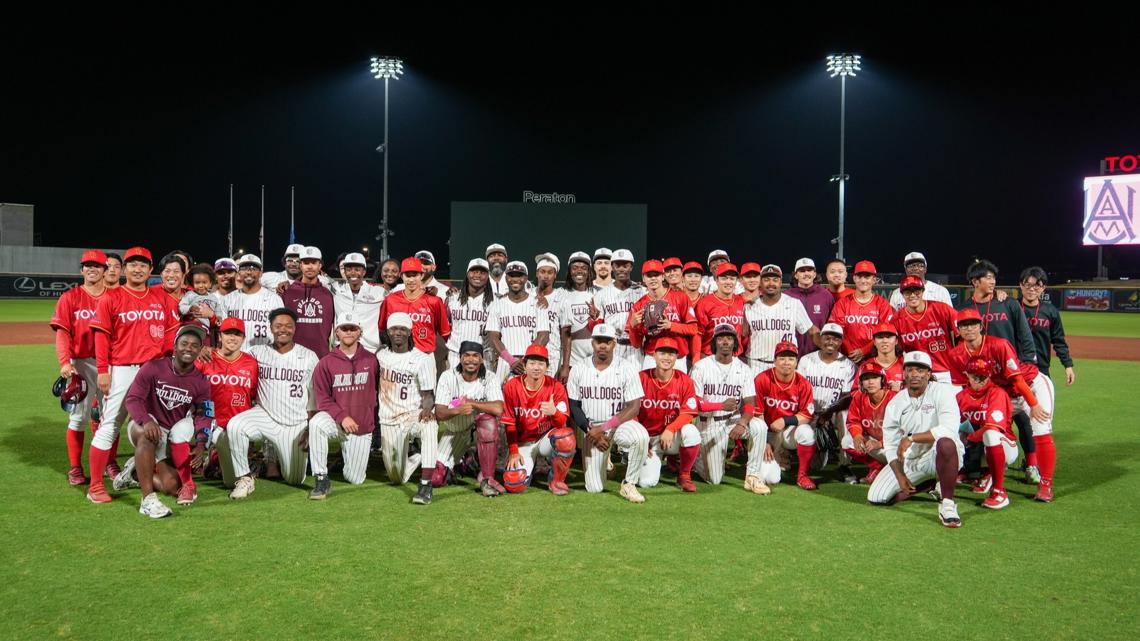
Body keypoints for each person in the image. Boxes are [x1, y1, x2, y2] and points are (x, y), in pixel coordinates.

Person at [86, 247, 180, 504]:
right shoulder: (111, 297)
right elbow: (101, 337)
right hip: (122, 369)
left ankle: (142, 471)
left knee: (158, 426)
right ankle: (95, 486)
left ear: (151, 270)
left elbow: (172, 334)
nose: (137, 269)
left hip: (154, 370)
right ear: (124, 269)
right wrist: (103, 371)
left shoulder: (162, 298)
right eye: (132, 264)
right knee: (110, 426)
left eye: (143, 265)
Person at [946, 309, 1056, 502]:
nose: (969, 328)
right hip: (1001, 393)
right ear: (958, 330)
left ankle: (1045, 484)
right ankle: (992, 473)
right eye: (964, 325)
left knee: (1040, 428)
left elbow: (1019, 380)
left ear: (981, 326)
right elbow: (963, 387)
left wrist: (1034, 404)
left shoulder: (999, 345)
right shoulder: (956, 355)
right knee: (993, 431)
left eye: (973, 324)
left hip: (1031, 386)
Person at [226, 308, 320, 500]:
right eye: (278, 326)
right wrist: (208, 350)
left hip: (295, 424)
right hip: (264, 415)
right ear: (270, 328)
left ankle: (264, 463)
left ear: (295, 328)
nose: (282, 330)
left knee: (295, 479)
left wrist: (311, 428)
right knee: (235, 426)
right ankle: (244, 478)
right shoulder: (256, 352)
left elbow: (314, 396)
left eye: (288, 326)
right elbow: (229, 357)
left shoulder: (309, 356)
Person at [121, 324, 213, 517]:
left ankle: (136, 472)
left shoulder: (201, 381)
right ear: (175, 345)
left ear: (199, 350)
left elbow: (204, 413)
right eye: (184, 343)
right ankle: (147, 500)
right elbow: (133, 399)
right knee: (148, 437)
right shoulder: (154, 368)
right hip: (143, 423)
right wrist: (146, 420)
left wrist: (201, 443)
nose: (189, 348)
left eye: (195, 345)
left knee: (171, 486)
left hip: (169, 434)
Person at [867, 351, 965, 529]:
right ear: (903, 373)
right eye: (910, 370)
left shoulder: (942, 392)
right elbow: (890, 445)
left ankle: (948, 504)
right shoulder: (896, 403)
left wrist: (912, 438)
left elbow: (949, 429)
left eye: (920, 370)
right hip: (913, 460)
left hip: (940, 454)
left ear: (929, 374)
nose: (915, 375)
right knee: (877, 497)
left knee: (946, 443)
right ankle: (926, 485)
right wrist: (900, 476)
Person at [689, 324, 777, 492]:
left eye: (729, 338)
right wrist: (720, 405)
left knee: (760, 426)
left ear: (735, 342)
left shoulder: (743, 369)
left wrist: (742, 423)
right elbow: (694, 404)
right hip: (708, 422)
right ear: (714, 342)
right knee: (714, 479)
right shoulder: (701, 367)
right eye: (721, 338)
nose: (725, 342)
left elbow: (751, 403)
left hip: (733, 420)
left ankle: (752, 476)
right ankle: (698, 458)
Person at [567, 324, 650, 503]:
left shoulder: (627, 367)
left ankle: (629, 484)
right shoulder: (579, 368)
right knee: (595, 489)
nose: (602, 345)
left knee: (640, 436)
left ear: (614, 344)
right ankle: (606, 460)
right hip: (590, 429)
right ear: (592, 343)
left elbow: (634, 407)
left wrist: (604, 428)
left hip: (618, 425)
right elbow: (573, 406)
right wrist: (592, 432)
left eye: (607, 341)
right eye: (599, 341)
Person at [50, 249, 108, 485]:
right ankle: (75, 468)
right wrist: (65, 362)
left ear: (105, 270)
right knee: (79, 418)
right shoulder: (70, 297)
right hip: (81, 363)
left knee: (108, 417)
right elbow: (63, 333)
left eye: (97, 266)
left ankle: (109, 464)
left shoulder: (113, 296)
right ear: (81, 270)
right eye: (87, 266)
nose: (92, 269)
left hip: (110, 364)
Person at [307, 315, 380, 499]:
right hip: (335, 420)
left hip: (360, 426)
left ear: (360, 332)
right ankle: (321, 479)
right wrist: (342, 416)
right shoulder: (325, 362)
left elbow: (378, 393)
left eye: (352, 328)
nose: (348, 332)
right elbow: (322, 399)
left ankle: (344, 462)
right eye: (344, 329)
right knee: (316, 424)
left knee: (355, 478)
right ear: (337, 332)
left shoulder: (372, 360)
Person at [376, 312, 439, 505]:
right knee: (396, 477)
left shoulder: (422, 359)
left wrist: (428, 411)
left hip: (412, 415)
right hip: (388, 418)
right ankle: (415, 455)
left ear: (409, 332)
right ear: (388, 331)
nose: (398, 333)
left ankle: (425, 484)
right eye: (394, 329)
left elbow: (428, 394)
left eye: (402, 329)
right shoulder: (380, 356)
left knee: (430, 426)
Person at [500, 344, 575, 495]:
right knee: (514, 484)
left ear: (547, 366)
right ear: (524, 364)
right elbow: (509, 423)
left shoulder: (556, 387)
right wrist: (514, 451)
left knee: (565, 438)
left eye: (541, 363)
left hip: (545, 440)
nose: (536, 367)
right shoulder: (511, 386)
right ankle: (530, 466)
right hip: (523, 442)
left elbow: (561, 425)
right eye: (532, 363)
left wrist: (554, 412)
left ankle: (557, 480)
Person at [192, 316, 257, 487]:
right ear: (220, 336)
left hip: (236, 430)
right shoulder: (205, 358)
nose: (232, 338)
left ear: (243, 338)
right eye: (228, 333)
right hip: (206, 424)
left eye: (237, 334)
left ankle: (214, 459)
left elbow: (255, 397)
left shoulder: (251, 363)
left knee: (231, 481)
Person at [433, 341, 505, 496]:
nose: (470, 360)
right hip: (455, 432)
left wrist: (472, 403)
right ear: (460, 358)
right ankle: (466, 463)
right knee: (436, 478)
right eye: (466, 355)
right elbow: (439, 412)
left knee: (488, 422)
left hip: (478, 429)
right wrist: (458, 409)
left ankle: (487, 479)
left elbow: (498, 409)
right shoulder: (448, 377)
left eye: (475, 356)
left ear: (481, 359)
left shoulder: (490, 377)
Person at [635, 339, 702, 492]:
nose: (667, 357)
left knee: (691, 432)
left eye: (671, 353)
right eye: (662, 353)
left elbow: (689, 413)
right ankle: (634, 457)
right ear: (654, 355)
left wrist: (671, 429)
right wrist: (641, 440)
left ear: (676, 357)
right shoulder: (641, 378)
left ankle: (684, 475)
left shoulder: (684, 380)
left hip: (671, 437)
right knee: (646, 482)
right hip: (649, 440)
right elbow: (631, 411)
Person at [751, 341, 818, 490]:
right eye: (782, 358)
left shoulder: (803, 383)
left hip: (788, 430)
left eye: (791, 358)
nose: (786, 362)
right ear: (774, 361)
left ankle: (802, 475)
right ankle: (767, 456)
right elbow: (757, 414)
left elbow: (807, 415)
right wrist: (763, 442)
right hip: (767, 432)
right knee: (771, 478)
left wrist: (785, 419)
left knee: (806, 432)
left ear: (796, 362)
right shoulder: (762, 379)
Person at [956, 356, 1020, 510]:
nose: (979, 380)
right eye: (975, 376)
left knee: (989, 433)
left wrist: (969, 437)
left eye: (983, 377)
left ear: (989, 375)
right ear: (967, 375)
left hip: (1005, 446)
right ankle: (979, 473)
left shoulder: (997, 393)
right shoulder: (960, 397)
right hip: (975, 448)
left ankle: (999, 492)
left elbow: (993, 427)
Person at [797, 322, 856, 479]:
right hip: (808, 411)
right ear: (820, 339)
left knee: (845, 414)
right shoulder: (806, 360)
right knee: (816, 466)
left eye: (835, 339)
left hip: (833, 413)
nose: (831, 342)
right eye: (827, 338)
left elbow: (847, 397)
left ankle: (844, 464)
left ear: (841, 341)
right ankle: (786, 457)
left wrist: (829, 413)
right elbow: (798, 391)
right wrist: (812, 415)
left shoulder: (848, 365)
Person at [742, 264, 817, 376]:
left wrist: (827, 351)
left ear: (781, 282)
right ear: (761, 283)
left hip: (785, 366)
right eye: (766, 280)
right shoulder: (749, 306)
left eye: (775, 279)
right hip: (756, 365)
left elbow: (812, 331)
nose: (771, 283)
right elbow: (743, 335)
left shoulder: (794, 304)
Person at [628, 259, 698, 372]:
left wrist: (671, 325)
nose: (653, 279)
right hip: (652, 358)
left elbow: (693, 329)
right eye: (649, 276)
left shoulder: (681, 297)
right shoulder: (639, 305)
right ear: (643, 278)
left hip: (677, 357)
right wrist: (633, 327)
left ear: (663, 276)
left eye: (656, 275)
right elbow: (636, 344)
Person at [486, 260, 550, 382]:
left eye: (519, 275)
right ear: (506, 278)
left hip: (531, 361)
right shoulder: (497, 305)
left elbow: (544, 335)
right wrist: (511, 360)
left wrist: (526, 359)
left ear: (526, 278)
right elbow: (493, 337)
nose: (515, 279)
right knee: (503, 399)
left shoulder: (538, 303)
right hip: (505, 362)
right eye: (511, 275)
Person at [377, 257, 451, 356]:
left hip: (425, 355)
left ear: (421, 275)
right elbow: (382, 329)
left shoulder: (435, 301)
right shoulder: (390, 300)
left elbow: (445, 333)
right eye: (408, 276)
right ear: (401, 276)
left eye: (415, 275)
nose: (411, 280)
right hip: (397, 355)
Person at [893, 275, 958, 383]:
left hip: (946, 371)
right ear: (902, 295)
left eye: (916, 291)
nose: (912, 295)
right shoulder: (896, 320)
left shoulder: (941, 309)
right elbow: (895, 350)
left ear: (923, 291)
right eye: (908, 292)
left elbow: (962, 331)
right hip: (917, 373)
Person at [827, 260, 893, 362]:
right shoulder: (843, 303)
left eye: (867, 277)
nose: (863, 281)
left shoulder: (882, 304)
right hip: (845, 357)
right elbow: (837, 330)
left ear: (874, 279)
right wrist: (850, 350)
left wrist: (864, 351)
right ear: (854, 278)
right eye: (859, 276)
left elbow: (885, 333)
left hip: (874, 357)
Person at [1019, 266, 1075, 384]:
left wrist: (1068, 365)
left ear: (1043, 287)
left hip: (1041, 369)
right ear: (1021, 285)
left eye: (1037, 285)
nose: (1032, 289)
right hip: (1016, 369)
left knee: (1043, 403)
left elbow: (1058, 341)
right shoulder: (1011, 307)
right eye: (1028, 284)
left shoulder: (1050, 311)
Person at [843, 361, 896, 484]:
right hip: (875, 443)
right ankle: (876, 467)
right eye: (866, 378)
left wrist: (880, 443)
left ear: (882, 380)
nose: (870, 382)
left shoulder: (895, 398)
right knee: (847, 442)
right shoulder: (859, 397)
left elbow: (904, 430)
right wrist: (857, 436)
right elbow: (853, 420)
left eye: (874, 377)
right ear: (861, 383)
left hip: (894, 446)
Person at [593, 249, 644, 369]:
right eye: (617, 265)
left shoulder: (641, 292)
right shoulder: (602, 294)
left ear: (631, 267)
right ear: (612, 267)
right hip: (613, 347)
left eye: (625, 265)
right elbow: (598, 326)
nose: (621, 269)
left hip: (635, 348)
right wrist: (593, 319)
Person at [281, 246, 335, 357]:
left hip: (320, 356)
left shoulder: (328, 294)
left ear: (320, 265)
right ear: (300, 265)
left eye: (314, 263)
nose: (310, 267)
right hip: (292, 355)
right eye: (306, 263)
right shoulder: (287, 291)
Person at [222, 254, 284, 350]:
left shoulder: (274, 299)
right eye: (244, 268)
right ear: (238, 273)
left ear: (261, 273)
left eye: (253, 268)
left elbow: (280, 331)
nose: (249, 272)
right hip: (235, 355)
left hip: (265, 356)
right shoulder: (228, 299)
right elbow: (222, 331)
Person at [330, 252, 387, 354]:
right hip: (341, 348)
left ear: (364, 271)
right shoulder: (335, 289)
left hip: (369, 349)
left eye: (357, 269)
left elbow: (399, 291)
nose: (353, 273)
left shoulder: (378, 292)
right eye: (349, 269)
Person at [693, 262, 748, 363]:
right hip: (710, 357)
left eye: (732, 278)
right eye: (724, 278)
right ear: (717, 280)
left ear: (736, 281)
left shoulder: (741, 302)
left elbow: (745, 334)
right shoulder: (705, 302)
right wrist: (696, 359)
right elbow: (697, 334)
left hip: (735, 358)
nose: (728, 282)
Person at [444, 258, 494, 368]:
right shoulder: (453, 298)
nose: (478, 275)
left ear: (488, 276)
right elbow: (443, 328)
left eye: (482, 272)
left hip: (482, 356)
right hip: (455, 354)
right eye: (474, 271)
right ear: (467, 274)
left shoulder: (495, 302)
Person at [784, 258, 834, 356]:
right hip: (791, 353)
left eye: (809, 270)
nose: (806, 273)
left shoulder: (825, 295)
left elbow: (831, 324)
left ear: (814, 274)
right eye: (802, 271)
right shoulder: (786, 296)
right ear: (796, 275)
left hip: (818, 352)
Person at [533, 253, 567, 378]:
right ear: (537, 273)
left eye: (550, 272)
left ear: (555, 275)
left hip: (552, 355)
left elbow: (566, 335)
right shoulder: (528, 296)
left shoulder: (562, 297)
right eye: (542, 272)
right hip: (529, 353)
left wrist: (564, 365)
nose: (545, 276)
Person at [887, 252, 953, 309]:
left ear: (925, 269)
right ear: (906, 270)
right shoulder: (896, 294)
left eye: (920, 265)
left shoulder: (940, 291)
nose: (915, 268)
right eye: (910, 266)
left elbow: (951, 318)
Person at [179, 263, 223, 344]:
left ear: (210, 283)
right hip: (191, 325)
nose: (201, 286)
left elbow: (219, 313)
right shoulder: (190, 294)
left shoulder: (213, 298)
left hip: (206, 328)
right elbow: (181, 306)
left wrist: (218, 318)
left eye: (204, 282)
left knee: (204, 347)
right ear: (192, 283)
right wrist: (190, 308)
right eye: (197, 282)